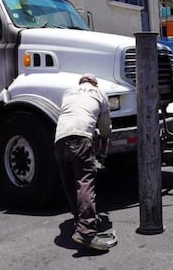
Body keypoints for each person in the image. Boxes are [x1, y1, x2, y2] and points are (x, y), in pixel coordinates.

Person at [54, 73, 117, 251]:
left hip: (59, 140)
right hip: (80, 138)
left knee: (69, 182)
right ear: (94, 83)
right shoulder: (98, 93)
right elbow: (105, 124)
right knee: (85, 182)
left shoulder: (69, 93)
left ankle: (79, 220)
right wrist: (104, 136)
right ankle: (86, 231)